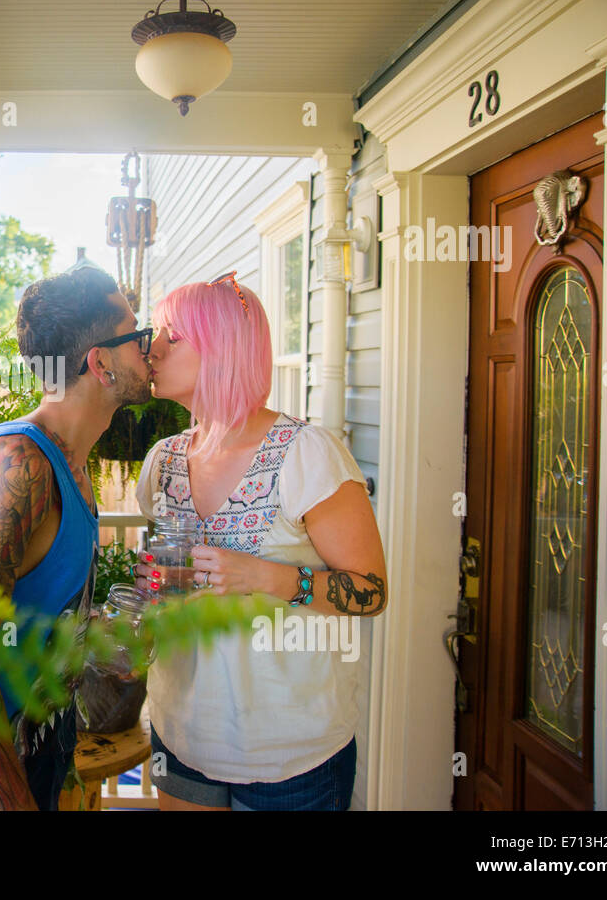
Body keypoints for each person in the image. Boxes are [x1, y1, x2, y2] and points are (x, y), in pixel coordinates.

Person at [132, 272, 388, 811]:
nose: (151, 348)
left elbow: (371, 592)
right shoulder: (163, 462)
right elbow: (166, 582)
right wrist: (152, 587)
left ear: (221, 349)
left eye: (172, 336)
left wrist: (264, 577)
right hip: (181, 733)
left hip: (290, 755)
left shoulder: (307, 453)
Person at [0, 264, 153, 810]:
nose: (148, 348)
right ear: (101, 362)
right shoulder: (19, 466)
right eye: (136, 335)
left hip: (35, 761)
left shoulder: (72, 466)